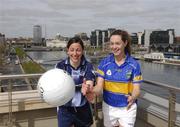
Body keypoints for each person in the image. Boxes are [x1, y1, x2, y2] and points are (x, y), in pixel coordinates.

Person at [82, 29, 143, 127]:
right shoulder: (105, 63)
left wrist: (133, 97)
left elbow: (137, 89)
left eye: (117, 43)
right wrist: (91, 89)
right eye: (112, 44)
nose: (114, 47)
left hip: (127, 107)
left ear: (125, 43)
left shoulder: (134, 65)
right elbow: (99, 86)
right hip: (109, 106)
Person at [55, 36, 95, 127]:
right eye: (72, 50)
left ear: (82, 51)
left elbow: (89, 80)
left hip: (83, 109)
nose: (75, 53)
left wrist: (87, 88)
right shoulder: (60, 66)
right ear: (67, 51)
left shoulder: (88, 66)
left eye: (78, 50)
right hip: (65, 110)